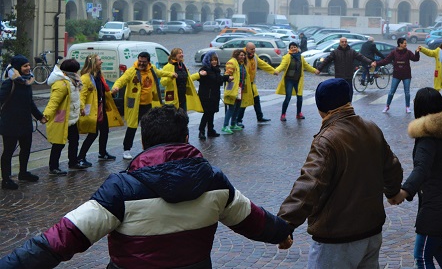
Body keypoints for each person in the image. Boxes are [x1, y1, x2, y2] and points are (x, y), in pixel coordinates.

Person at [0, 105, 293, 268]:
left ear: (144, 141)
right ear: (184, 139)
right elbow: (251, 218)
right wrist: (282, 233)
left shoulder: (122, 189)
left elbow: (64, 237)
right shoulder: (215, 181)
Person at [278, 78, 403, 268]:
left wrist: (283, 226)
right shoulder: (371, 127)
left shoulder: (327, 139)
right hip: (371, 231)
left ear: (322, 108)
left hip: (337, 238)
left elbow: (309, 186)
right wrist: (393, 192)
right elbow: (391, 166)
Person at [387, 87, 442, 269]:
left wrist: (404, 191)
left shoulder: (428, 138)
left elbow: (421, 168)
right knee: (435, 246)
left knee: (421, 256)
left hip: (438, 204)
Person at [111, 52, 176, 160]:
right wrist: (116, 87)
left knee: (148, 127)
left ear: (148, 62)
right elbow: (121, 80)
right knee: (132, 127)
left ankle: (148, 147)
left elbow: (160, 73)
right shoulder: (132, 71)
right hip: (135, 105)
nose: (141, 63)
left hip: (148, 104)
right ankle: (126, 149)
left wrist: (171, 74)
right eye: (140, 61)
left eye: (143, 62)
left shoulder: (152, 69)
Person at [0, 55, 46, 190]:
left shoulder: (27, 82)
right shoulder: (10, 83)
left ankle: (23, 173)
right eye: (25, 66)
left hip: (25, 122)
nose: (28, 68)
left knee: (26, 149)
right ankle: (6, 179)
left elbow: (30, 103)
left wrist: (40, 117)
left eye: (28, 65)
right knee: (8, 151)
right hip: (10, 123)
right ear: (17, 68)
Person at [77, 54, 124, 164]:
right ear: (93, 62)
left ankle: (102, 153)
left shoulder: (98, 76)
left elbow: (102, 92)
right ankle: (81, 157)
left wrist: (112, 93)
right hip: (94, 109)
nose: (101, 62)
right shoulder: (86, 78)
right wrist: (82, 107)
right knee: (93, 133)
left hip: (101, 108)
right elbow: (82, 95)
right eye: (99, 60)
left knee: (104, 131)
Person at [43, 59, 86, 175]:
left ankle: (73, 162)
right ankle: (53, 167)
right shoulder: (62, 83)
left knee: (74, 141)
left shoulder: (73, 80)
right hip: (62, 118)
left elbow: (77, 97)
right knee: (59, 143)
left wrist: (81, 107)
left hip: (72, 117)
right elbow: (54, 102)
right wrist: (46, 115)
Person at [275, 41, 319, 121]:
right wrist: (277, 71)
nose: (293, 49)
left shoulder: (300, 57)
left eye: (295, 47)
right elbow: (282, 65)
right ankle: (283, 114)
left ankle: (299, 113)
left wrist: (314, 70)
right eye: (291, 47)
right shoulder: (287, 57)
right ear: (289, 49)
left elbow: (306, 66)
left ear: (297, 48)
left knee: (299, 97)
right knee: (288, 97)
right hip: (289, 80)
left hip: (298, 80)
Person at [377, 37, 421, 113]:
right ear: (400, 44)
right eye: (404, 43)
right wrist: (377, 63)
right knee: (392, 91)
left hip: (406, 75)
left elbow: (415, 59)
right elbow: (386, 60)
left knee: (407, 92)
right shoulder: (394, 52)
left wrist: (417, 52)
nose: (406, 44)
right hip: (396, 75)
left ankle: (407, 107)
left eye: (406, 43)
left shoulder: (408, 52)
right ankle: (387, 106)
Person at [236, 42, 274, 126]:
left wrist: (273, 71)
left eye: (254, 49)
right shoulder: (242, 56)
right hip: (244, 84)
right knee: (243, 103)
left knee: (256, 100)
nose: (253, 51)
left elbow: (262, 64)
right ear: (247, 49)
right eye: (251, 49)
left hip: (252, 84)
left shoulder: (255, 57)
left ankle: (260, 117)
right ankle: (238, 120)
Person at [195, 51, 227, 139]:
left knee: (211, 113)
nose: (214, 62)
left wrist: (226, 78)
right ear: (208, 60)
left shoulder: (216, 70)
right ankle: (201, 131)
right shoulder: (204, 69)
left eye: (215, 60)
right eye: (212, 60)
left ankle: (210, 130)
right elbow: (202, 79)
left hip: (214, 95)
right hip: (206, 96)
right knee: (207, 113)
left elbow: (219, 79)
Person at [161, 48, 203, 113]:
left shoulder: (182, 65)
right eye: (179, 53)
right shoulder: (168, 67)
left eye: (182, 53)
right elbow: (163, 82)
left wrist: (199, 75)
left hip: (183, 97)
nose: (182, 54)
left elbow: (188, 79)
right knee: (173, 119)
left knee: (183, 118)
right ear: (174, 55)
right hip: (173, 98)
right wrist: (171, 77)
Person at [222, 49, 252, 134]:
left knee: (237, 107)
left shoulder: (242, 64)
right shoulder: (232, 62)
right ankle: (225, 125)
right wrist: (229, 76)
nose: (242, 57)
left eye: (243, 55)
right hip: (233, 87)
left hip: (240, 88)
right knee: (231, 107)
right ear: (236, 55)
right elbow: (228, 73)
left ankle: (233, 124)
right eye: (241, 55)